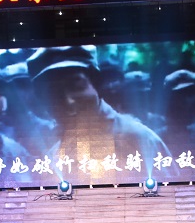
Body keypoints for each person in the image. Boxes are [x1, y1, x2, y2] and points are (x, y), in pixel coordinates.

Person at [26, 45, 171, 182]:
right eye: (54, 93)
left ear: (96, 84)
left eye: (76, 86)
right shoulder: (53, 158)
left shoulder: (139, 139)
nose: (69, 101)